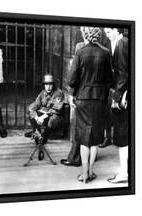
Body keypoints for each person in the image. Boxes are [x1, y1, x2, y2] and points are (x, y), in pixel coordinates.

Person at [68, 27, 113, 183]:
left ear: (86, 36)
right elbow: (110, 80)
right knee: (94, 138)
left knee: (83, 138)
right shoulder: (106, 53)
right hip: (100, 99)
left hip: (83, 98)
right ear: (99, 36)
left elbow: (71, 80)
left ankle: (84, 174)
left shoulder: (80, 52)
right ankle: (91, 172)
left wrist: (78, 88)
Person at [61, 27, 88, 167]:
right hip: (96, 96)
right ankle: (87, 158)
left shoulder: (80, 47)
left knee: (76, 125)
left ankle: (74, 157)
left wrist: (71, 93)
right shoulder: (104, 50)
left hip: (80, 94)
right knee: (90, 128)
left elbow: (73, 77)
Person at [106, 28, 129, 184]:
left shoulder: (121, 44)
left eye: (108, 31)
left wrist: (118, 96)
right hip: (128, 94)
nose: (107, 35)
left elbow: (123, 74)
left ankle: (124, 173)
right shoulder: (127, 41)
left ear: (117, 30)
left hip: (123, 99)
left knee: (122, 136)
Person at [24, 74, 65, 145]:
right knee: (31, 114)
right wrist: (37, 118)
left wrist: (42, 117)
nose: (48, 87)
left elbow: (55, 110)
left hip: (55, 117)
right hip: (44, 115)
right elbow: (33, 106)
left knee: (53, 119)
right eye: (46, 85)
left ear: (53, 85)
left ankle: (44, 137)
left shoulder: (59, 93)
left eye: (50, 84)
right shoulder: (42, 93)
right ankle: (36, 132)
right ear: (44, 85)